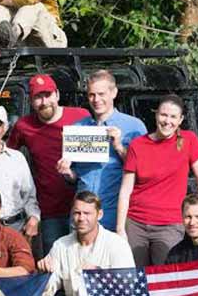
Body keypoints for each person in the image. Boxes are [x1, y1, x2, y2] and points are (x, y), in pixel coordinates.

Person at [116, 94, 198, 267]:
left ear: (181, 119)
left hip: (170, 224)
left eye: (173, 116)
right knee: (135, 279)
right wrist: (120, 229)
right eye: (163, 115)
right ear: (156, 115)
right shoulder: (137, 145)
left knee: (168, 277)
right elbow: (125, 191)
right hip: (135, 223)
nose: (167, 121)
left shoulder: (189, 140)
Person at [6, 74, 90, 255]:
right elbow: (5, 156)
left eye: (48, 95)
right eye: (38, 97)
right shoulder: (23, 126)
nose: (44, 101)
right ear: (31, 100)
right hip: (50, 210)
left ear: (57, 95)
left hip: (83, 206)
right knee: (55, 264)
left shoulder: (81, 116)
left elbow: (99, 158)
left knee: (86, 263)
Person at [58, 70, 147, 231]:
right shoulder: (79, 128)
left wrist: (119, 147)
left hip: (115, 214)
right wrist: (67, 172)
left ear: (114, 93)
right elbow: (76, 178)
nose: (96, 100)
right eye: (92, 95)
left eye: (101, 94)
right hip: (83, 216)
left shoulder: (134, 126)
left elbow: (143, 171)